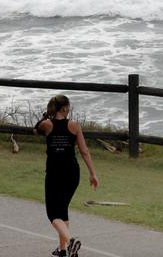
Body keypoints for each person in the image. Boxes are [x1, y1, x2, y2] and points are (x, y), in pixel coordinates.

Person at [34, 94, 99, 257]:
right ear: (65, 108)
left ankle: (70, 242)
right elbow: (84, 151)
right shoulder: (75, 125)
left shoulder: (46, 125)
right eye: (68, 106)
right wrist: (92, 173)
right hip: (72, 172)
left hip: (55, 173)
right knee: (62, 210)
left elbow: (35, 129)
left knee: (53, 214)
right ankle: (62, 250)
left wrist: (46, 115)